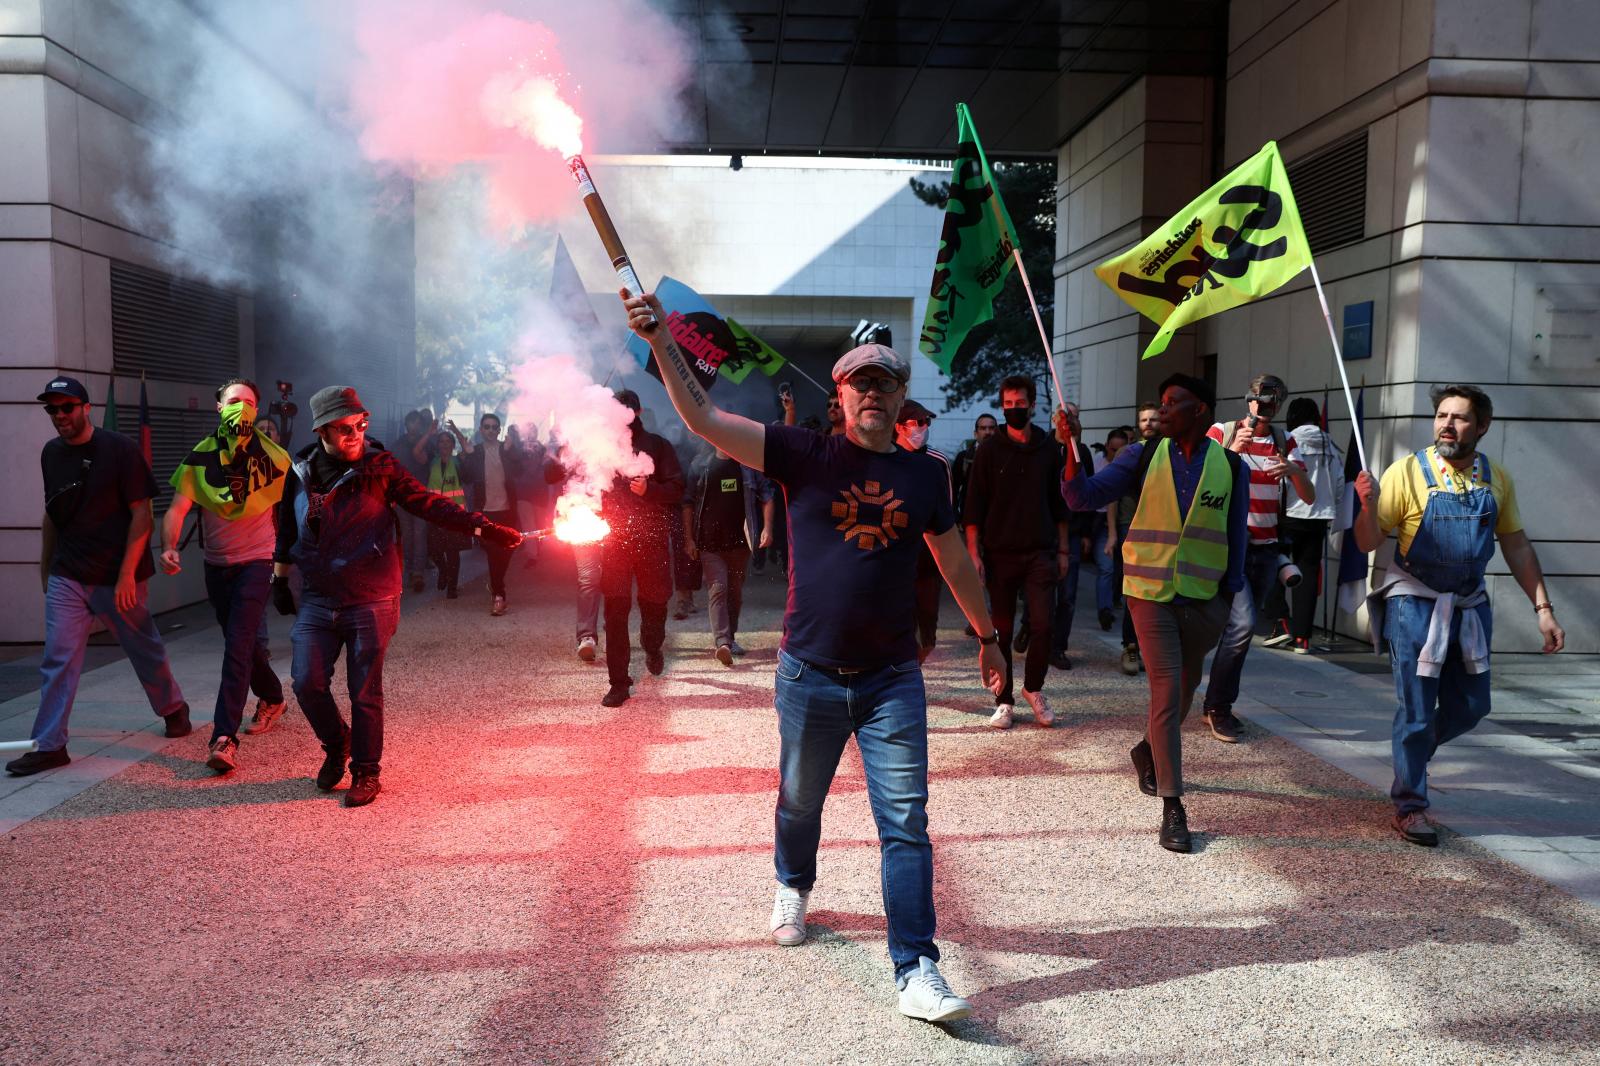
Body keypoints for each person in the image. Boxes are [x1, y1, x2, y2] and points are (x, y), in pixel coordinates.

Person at [622, 286, 1004, 1024]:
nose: (873, 393)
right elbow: (703, 417)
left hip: (894, 679)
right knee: (800, 802)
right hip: (809, 673)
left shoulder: (928, 475)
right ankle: (794, 881)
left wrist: (988, 640)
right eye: (861, 381)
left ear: (901, 400)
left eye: (886, 383)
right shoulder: (801, 453)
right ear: (839, 392)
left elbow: (955, 561)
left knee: (906, 823)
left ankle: (917, 968)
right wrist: (660, 339)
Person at [271, 386, 521, 807]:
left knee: (364, 688)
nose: (356, 434)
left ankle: (366, 771)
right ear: (321, 431)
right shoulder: (300, 469)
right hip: (318, 596)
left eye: (361, 424)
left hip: (371, 594)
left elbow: (428, 504)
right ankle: (337, 744)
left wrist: (483, 527)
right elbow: (287, 529)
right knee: (306, 682)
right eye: (345, 428)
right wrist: (280, 578)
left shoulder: (380, 467)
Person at [1353, 385, 1563, 847]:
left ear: (1482, 426)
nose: (1447, 424)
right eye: (1442, 415)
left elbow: (1516, 544)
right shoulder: (1406, 472)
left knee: (1473, 706)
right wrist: (1366, 506)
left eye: (1460, 417)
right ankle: (1410, 806)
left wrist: (1543, 609)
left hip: (1468, 606)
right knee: (1416, 708)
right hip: (1414, 602)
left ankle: (1412, 751)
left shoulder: (1496, 477)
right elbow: (1368, 542)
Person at [1060, 374, 1250, 852]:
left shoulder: (1230, 465)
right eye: (1160, 404)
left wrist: (1228, 600)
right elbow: (1080, 497)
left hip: (1205, 600)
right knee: (1166, 693)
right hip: (1148, 592)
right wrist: (1071, 447)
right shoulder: (1142, 454)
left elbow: (1237, 538)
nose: (1161, 411)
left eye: (1172, 403)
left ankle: (1145, 751)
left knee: (1184, 693)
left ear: (1200, 410)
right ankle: (1173, 806)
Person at [8, 377, 193, 776]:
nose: (59, 416)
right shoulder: (50, 454)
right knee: (58, 658)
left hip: (116, 573)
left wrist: (127, 575)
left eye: (66, 407)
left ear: (86, 408)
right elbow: (52, 515)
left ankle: (173, 707)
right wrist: (46, 571)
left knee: (144, 649)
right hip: (69, 572)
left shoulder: (119, 449)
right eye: (52, 409)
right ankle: (50, 744)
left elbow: (142, 513)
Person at [159, 378, 292, 773]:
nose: (242, 409)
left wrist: (288, 565)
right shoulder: (201, 457)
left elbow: (292, 513)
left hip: (256, 562)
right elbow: (177, 508)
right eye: (234, 401)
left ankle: (224, 736)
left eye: (249, 403)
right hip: (217, 566)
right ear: (219, 408)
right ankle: (272, 696)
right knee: (244, 644)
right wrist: (169, 545)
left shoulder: (272, 457)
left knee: (237, 646)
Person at [1198, 374, 1315, 743]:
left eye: (1269, 403)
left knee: (1242, 631)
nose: (1261, 408)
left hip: (1267, 548)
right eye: (1257, 400)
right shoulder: (1221, 431)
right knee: (1242, 625)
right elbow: (1198, 481)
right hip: (1229, 546)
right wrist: (1230, 451)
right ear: (1247, 399)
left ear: (1279, 405)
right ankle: (1218, 706)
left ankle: (1215, 704)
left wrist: (1295, 471)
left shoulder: (1285, 440)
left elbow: (1309, 497)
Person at [963, 375, 1068, 729]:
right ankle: (1004, 699)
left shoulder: (1048, 448)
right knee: (1001, 632)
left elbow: (1060, 502)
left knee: (1043, 625)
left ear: (1032, 404)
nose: (1013, 410)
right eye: (1007, 405)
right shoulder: (989, 450)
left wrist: (1064, 549)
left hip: (1040, 551)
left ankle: (1033, 688)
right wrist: (974, 555)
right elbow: (974, 506)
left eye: (1018, 404)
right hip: (999, 554)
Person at [598, 389, 685, 708]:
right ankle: (618, 683)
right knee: (615, 613)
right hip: (615, 543)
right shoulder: (602, 448)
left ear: (637, 411)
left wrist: (651, 489)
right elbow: (591, 486)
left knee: (654, 605)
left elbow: (677, 488)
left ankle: (653, 645)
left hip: (651, 541)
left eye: (626, 409)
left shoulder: (659, 446)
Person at [1263, 397, 1344, 654]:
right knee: (1308, 574)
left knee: (1273, 564)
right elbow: (1339, 483)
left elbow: (1278, 476)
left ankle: (1282, 621)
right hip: (1319, 517)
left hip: (1288, 513)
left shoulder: (1288, 439)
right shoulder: (1330, 444)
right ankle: (1302, 639)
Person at [684, 445, 773, 664]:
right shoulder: (700, 465)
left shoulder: (748, 466)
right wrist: (689, 539)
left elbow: (768, 496)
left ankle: (730, 638)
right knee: (718, 589)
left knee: (734, 592)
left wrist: (767, 529)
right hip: (709, 543)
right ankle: (722, 641)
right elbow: (688, 503)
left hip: (740, 544)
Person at [895, 399, 953, 663]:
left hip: (928, 562)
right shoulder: (886, 460)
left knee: (927, 635)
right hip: (893, 559)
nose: (923, 427)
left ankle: (910, 671)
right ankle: (900, 681)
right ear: (899, 427)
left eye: (925, 422)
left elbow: (948, 515)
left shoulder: (938, 462)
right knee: (894, 628)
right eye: (916, 422)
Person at [459, 411, 522, 616]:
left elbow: (520, 471)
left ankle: (496, 585)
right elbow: (466, 478)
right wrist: (467, 454)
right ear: (481, 430)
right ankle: (499, 595)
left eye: (495, 427)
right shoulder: (475, 451)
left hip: (507, 511)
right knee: (494, 552)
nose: (491, 430)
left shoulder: (506, 449)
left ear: (499, 430)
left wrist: (512, 451)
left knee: (507, 550)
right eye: (487, 427)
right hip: (485, 511)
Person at [1115, 403, 1161, 674]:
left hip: (1162, 531)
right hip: (1130, 527)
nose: (1148, 423)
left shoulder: (1171, 453)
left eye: (1154, 419)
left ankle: (1154, 649)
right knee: (1132, 590)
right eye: (1144, 419)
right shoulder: (1128, 453)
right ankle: (1130, 647)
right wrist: (1111, 532)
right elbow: (1111, 495)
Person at [426, 427, 472, 598]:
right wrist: (429, 433)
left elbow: (468, 474)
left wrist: (458, 434)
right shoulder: (432, 461)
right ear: (437, 445)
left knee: (452, 552)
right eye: (441, 442)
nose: (444, 445)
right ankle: (443, 571)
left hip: (454, 514)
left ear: (453, 445)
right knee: (434, 550)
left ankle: (452, 587)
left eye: (448, 442)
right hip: (435, 513)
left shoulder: (459, 461)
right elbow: (417, 452)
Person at [393, 410, 435, 593]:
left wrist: (428, 436)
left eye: (418, 423)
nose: (415, 426)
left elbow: (421, 457)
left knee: (420, 533)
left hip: (420, 495)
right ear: (407, 424)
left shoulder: (428, 444)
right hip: (402, 496)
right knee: (407, 535)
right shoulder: (398, 444)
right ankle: (409, 571)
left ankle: (418, 573)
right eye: (412, 422)